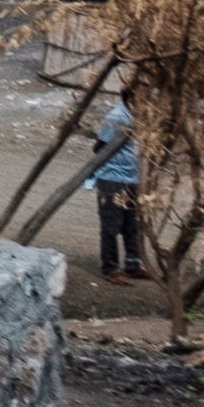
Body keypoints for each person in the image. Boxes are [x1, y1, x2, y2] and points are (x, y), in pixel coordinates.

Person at [90, 101, 148, 279]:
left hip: (132, 178)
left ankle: (133, 264)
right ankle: (110, 269)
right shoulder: (116, 117)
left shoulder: (141, 116)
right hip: (111, 178)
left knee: (132, 224)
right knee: (111, 226)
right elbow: (98, 147)